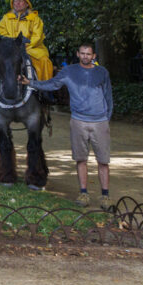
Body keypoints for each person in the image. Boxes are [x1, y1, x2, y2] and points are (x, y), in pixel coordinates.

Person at [21, 43, 113, 208]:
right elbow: (51, 84)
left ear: (94, 56)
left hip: (100, 122)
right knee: (81, 159)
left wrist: (106, 118)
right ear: (78, 54)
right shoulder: (69, 71)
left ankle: (105, 196)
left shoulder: (102, 72)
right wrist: (30, 82)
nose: (85, 56)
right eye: (82, 53)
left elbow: (108, 97)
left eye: (88, 54)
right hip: (78, 121)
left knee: (103, 161)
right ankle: (83, 193)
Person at [0, 0, 55, 83]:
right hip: (10, 47)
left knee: (44, 61)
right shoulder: (6, 17)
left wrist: (27, 44)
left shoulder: (35, 19)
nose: (17, 3)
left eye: (20, 1)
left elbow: (38, 35)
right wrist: (10, 42)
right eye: (15, 1)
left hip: (31, 47)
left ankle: (44, 87)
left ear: (27, 4)